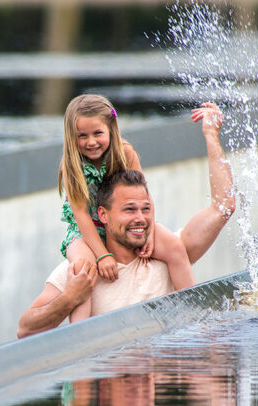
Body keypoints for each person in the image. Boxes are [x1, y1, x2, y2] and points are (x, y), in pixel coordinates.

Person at [17, 103, 234, 338]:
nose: (139, 218)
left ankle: (197, 323)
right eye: (129, 210)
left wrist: (211, 135)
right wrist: (71, 296)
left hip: (164, 364)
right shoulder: (82, 273)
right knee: (82, 271)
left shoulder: (166, 251)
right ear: (103, 215)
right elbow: (25, 330)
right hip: (87, 244)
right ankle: (80, 339)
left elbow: (224, 207)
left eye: (145, 209)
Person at [59, 94, 196, 323]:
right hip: (86, 230)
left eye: (98, 133)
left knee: (174, 246)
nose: (91, 142)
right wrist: (102, 255)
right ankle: (78, 333)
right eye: (82, 136)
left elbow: (144, 195)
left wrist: (149, 231)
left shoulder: (125, 153)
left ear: (111, 129)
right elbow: (81, 215)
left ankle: (193, 313)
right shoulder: (71, 165)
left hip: (124, 223)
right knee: (82, 269)